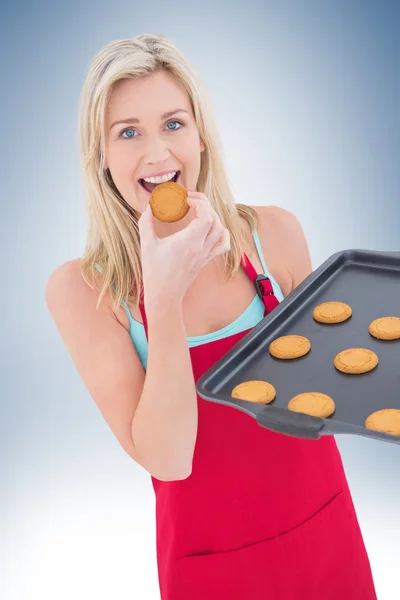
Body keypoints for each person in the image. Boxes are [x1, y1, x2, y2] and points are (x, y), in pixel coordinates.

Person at [46, 33, 377, 600]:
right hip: (213, 571)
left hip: (325, 539)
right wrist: (164, 296)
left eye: (173, 123)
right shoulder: (86, 291)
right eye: (128, 132)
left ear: (201, 134)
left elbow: (333, 384)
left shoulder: (274, 234)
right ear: (101, 155)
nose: (157, 155)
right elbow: (169, 461)